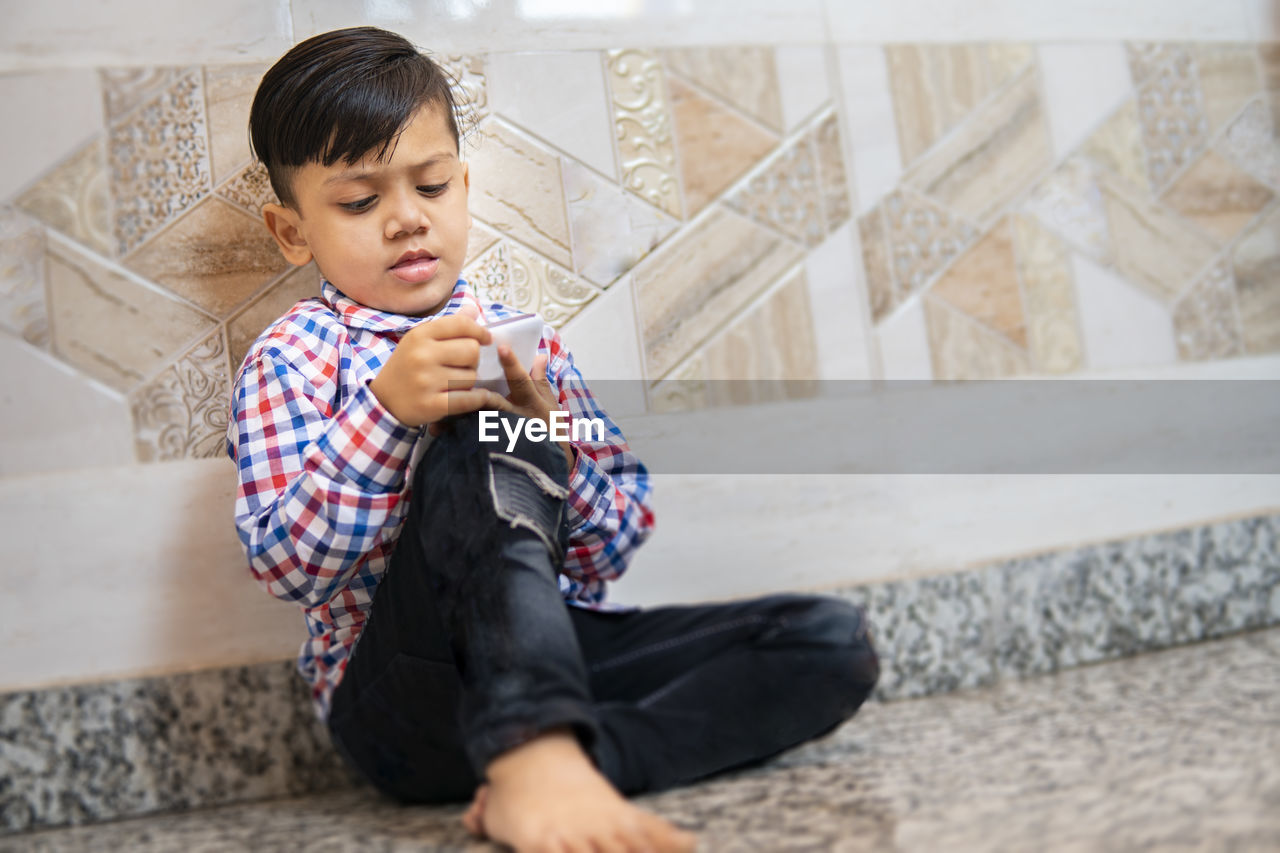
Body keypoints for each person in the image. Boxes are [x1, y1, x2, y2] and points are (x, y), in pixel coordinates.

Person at [227, 25, 880, 852]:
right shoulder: (289, 359)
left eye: (429, 186)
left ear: (463, 184)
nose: (404, 220)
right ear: (293, 232)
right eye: (360, 202)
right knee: (475, 431)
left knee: (828, 644)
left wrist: (551, 444)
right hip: (403, 705)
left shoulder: (523, 340)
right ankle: (536, 751)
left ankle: (556, 765)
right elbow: (289, 568)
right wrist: (387, 416)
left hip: (551, 655)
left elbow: (612, 549)